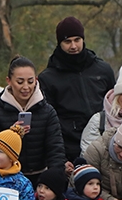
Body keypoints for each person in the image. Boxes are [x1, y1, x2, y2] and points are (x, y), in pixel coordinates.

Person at [37, 16, 115, 164]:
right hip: (69, 149)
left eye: (77, 40)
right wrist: (60, 157)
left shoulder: (103, 70)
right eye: (67, 41)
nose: (73, 46)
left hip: (105, 144)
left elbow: (115, 107)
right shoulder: (48, 78)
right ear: (60, 43)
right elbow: (49, 121)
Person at [0, 56, 66, 184]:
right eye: (20, 82)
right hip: (6, 179)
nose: (26, 87)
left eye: (30, 81)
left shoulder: (48, 111)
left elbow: (55, 149)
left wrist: (54, 180)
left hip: (41, 178)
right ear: (9, 81)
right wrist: (11, 135)